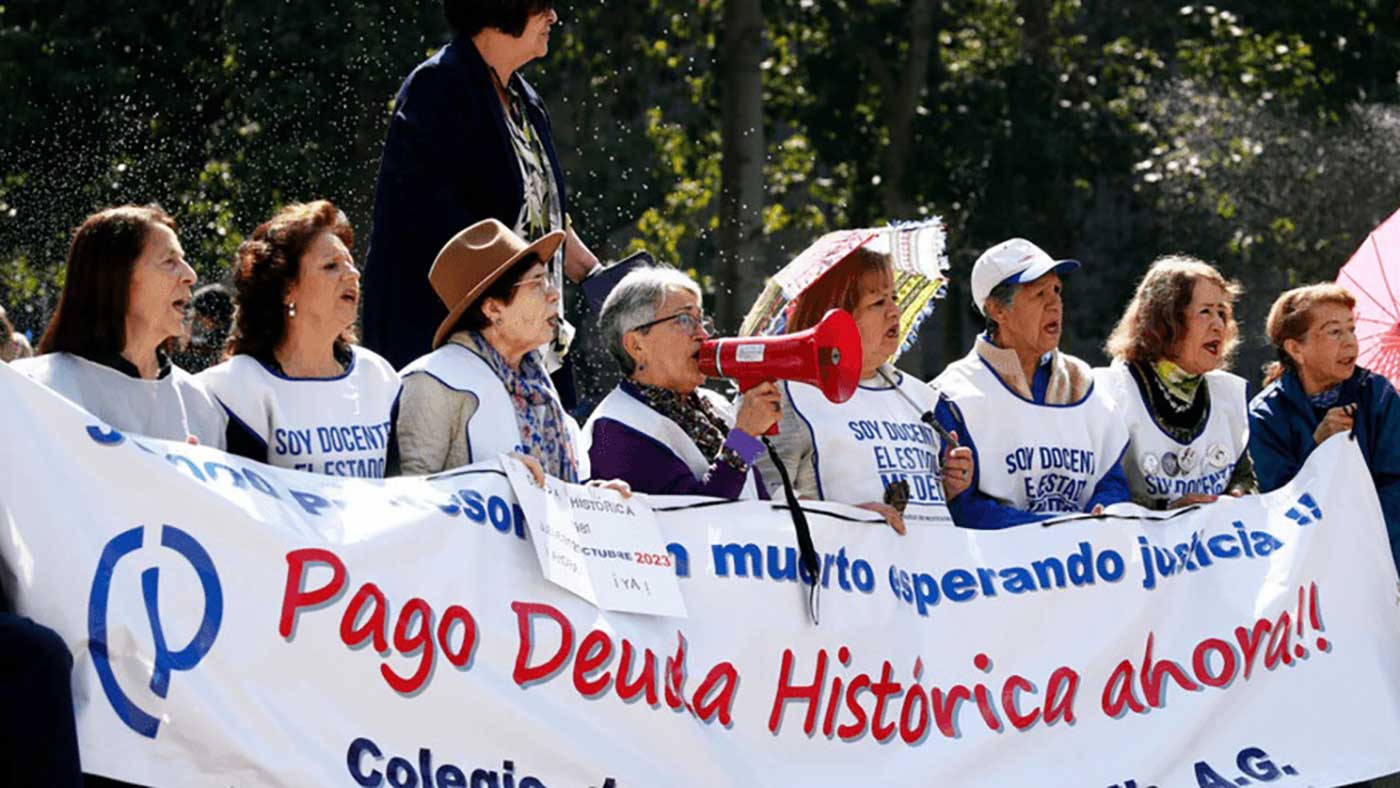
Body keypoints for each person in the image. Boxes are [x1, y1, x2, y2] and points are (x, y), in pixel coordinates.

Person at [362, 0, 602, 399]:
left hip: (535, 354)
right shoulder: (438, 88)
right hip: (456, 358)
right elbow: (430, 223)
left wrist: (597, 277)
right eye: (543, 5)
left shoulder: (526, 100)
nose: (554, 17)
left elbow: (542, 212)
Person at [755, 245, 973, 530]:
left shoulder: (920, 397)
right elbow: (760, 494)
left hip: (929, 569)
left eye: (893, 298)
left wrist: (945, 488)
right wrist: (847, 518)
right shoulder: (782, 394)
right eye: (878, 303)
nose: (895, 311)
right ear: (835, 317)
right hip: (844, 569)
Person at [931, 238, 1130, 528]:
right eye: (1039, 294)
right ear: (997, 310)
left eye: (1057, 290)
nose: (1055, 304)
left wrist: (1105, 509)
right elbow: (963, 507)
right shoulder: (954, 396)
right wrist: (1054, 529)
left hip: (1088, 562)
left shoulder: (1084, 384)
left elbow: (1112, 478)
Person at [198, 201, 400, 478]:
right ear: (286, 289)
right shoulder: (234, 387)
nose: (353, 274)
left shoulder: (378, 376)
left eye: (351, 264)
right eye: (331, 266)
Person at [396, 219, 595, 485]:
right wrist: (492, 478)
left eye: (548, 280)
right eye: (537, 283)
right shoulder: (431, 382)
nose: (554, 295)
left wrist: (597, 499)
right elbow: (406, 498)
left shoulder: (539, 384)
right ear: (492, 309)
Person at [13, 205, 225, 446]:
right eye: (169, 261)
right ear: (115, 278)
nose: (191, 275)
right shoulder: (35, 388)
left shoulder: (200, 405)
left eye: (184, 260)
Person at [584, 266, 781, 500]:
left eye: (701, 321)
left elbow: (752, 496)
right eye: (685, 320)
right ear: (636, 345)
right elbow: (695, 519)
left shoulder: (714, 405)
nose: (703, 335)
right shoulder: (615, 429)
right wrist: (744, 437)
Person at [1248, 284, 1400, 572]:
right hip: (1306, 570)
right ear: (1296, 349)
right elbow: (1274, 503)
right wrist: (1316, 447)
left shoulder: (1378, 395)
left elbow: (1396, 484)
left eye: (1351, 329)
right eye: (1334, 332)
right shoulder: (1265, 414)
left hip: (1380, 557)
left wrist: (1364, 545)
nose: (1350, 343)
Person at [1097, 256, 1257, 509]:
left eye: (1222, 313)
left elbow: (1244, 477)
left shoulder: (1227, 394)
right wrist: (1168, 513)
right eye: (1205, 311)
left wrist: (1239, 495)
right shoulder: (1112, 392)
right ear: (1164, 320)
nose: (1218, 325)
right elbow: (1101, 494)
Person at [172, 283, 235, 374]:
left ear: (209, 314)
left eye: (199, 315)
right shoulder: (221, 332)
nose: (200, 321)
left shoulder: (224, 337)